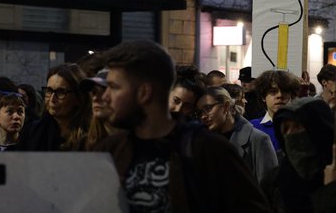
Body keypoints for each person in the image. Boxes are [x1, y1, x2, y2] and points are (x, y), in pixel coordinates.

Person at [94, 40, 271, 212]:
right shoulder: (111, 149)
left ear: (144, 92)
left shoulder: (208, 149)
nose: (105, 96)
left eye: (114, 87)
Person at [261, 97, 336, 213]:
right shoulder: (274, 181)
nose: (290, 134)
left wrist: (332, 190)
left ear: (318, 130)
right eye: (286, 129)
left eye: (298, 127)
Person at [196, 86, 277, 182]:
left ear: (226, 106)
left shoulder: (258, 139)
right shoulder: (205, 142)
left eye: (208, 108)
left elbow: (269, 186)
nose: (203, 116)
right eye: (199, 112)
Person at [18, 63, 91, 151]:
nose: (52, 99)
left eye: (61, 92)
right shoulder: (31, 132)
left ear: (78, 98)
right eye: (49, 91)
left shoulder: (93, 135)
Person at [250, 70, 301, 152]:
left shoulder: (301, 126)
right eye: (273, 92)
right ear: (263, 97)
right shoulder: (252, 127)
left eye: (285, 91)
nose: (280, 95)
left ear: (292, 96)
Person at [79, 67, 123, 151]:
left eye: (104, 91)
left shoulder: (135, 144)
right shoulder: (83, 144)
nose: (95, 98)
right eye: (94, 92)